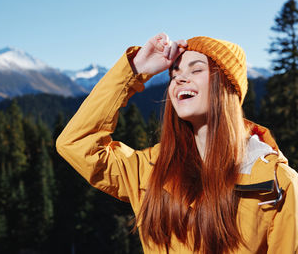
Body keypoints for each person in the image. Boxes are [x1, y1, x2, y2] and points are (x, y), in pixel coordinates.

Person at [56, 33, 298, 253]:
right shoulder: (150, 170)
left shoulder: (276, 184)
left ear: (227, 86)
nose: (180, 79)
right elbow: (77, 142)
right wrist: (135, 69)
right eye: (174, 74)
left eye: (196, 70)